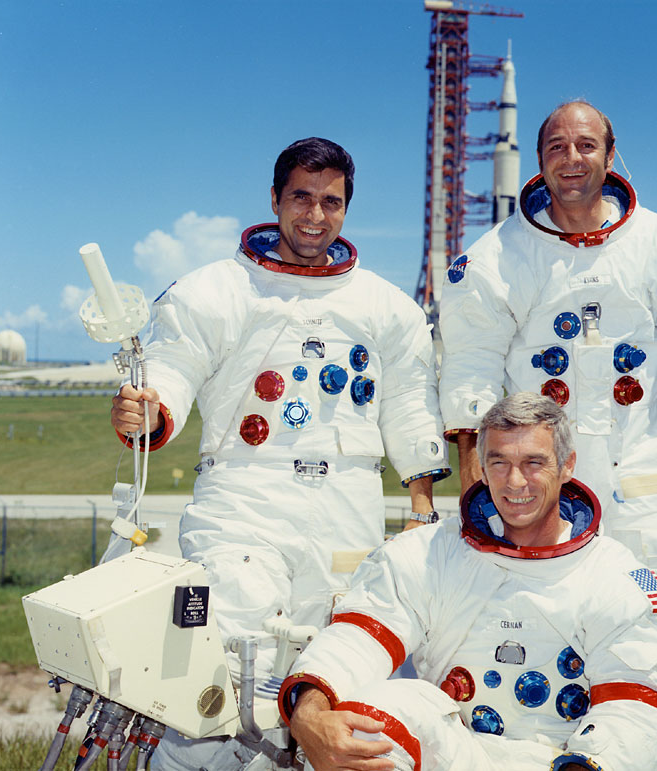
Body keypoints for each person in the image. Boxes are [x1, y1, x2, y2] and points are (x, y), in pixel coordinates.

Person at [110, 137, 450, 769]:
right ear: (274, 199)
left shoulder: (385, 307)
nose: (315, 217)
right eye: (301, 197)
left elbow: (408, 403)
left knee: (338, 668)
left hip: (347, 505)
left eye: (331, 203)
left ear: (346, 210)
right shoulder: (217, 290)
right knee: (225, 667)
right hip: (244, 497)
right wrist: (148, 409)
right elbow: (175, 366)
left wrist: (422, 502)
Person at [438, 100, 657, 603]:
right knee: (544, 628)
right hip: (540, 484)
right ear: (540, 161)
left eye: (586, 146)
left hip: (639, 482)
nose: (572, 159)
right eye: (557, 148)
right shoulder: (497, 258)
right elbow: (469, 362)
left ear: (610, 157)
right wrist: (473, 466)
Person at [280, 393, 657, 771]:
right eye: (499, 463)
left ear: (567, 466)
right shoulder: (431, 554)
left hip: (559, 759)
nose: (515, 482)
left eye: (534, 462)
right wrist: (310, 713)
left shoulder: (614, 576)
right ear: (481, 467)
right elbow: (356, 638)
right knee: (363, 720)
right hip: (455, 750)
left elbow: (634, 713)